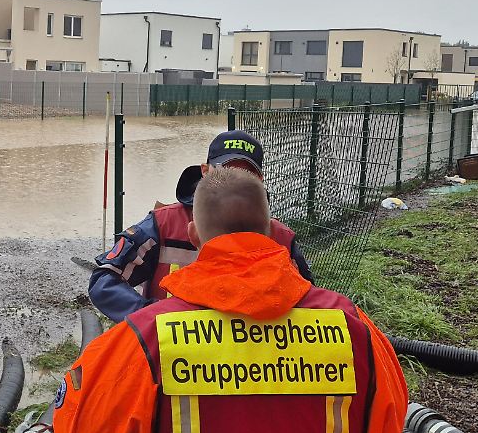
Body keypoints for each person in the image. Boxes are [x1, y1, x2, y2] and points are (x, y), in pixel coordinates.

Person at [56, 167, 408, 433]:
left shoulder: (148, 338)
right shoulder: (353, 327)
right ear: (274, 233)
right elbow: (389, 426)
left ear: (193, 236)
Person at [89, 130, 313, 325]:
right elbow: (105, 280)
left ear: (260, 181)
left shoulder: (281, 238)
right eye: (226, 170)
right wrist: (152, 318)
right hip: (175, 357)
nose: (234, 181)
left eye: (246, 174)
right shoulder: (164, 224)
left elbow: (307, 300)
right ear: (205, 171)